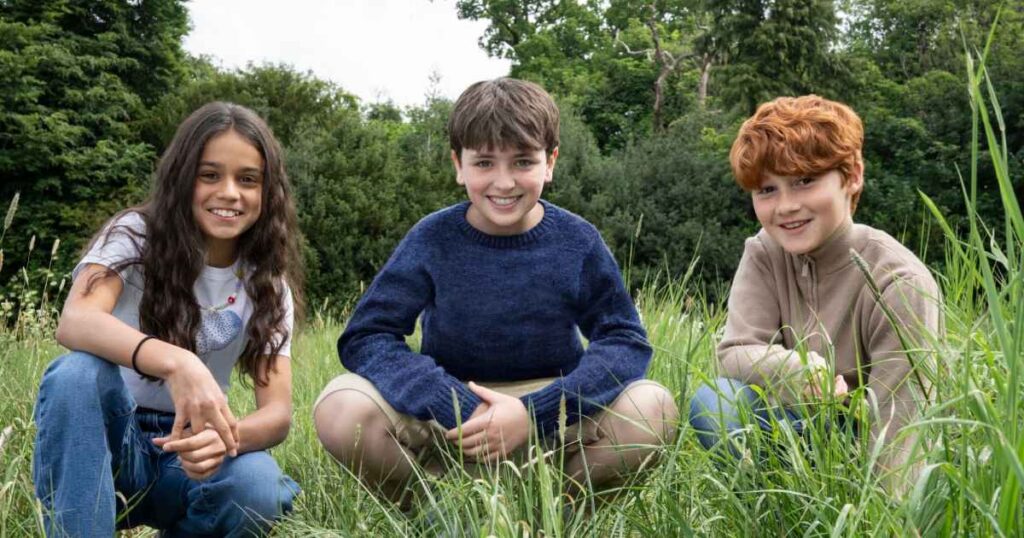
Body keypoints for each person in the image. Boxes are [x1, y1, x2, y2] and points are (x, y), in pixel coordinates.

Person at [313, 78, 678, 507]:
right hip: (449, 418)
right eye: (484, 162)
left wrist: (536, 412)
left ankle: (554, 512)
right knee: (341, 407)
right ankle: (439, 510)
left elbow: (624, 339)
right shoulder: (432, 238)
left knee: (653, 407)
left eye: (523, 161)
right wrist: (452, 402)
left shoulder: (577, 240)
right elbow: (366, 336)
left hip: (552, 417)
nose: (503, 182)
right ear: (458, 164)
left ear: (550, 162)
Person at [32, 102, 303, 536]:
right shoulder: (133, 234)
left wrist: (225, 438)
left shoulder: (268, 284)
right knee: (76, 374)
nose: (229, 192)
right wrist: (178, 362)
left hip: (190, 452)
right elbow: (76, 320)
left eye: (248, 179)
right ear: (181, 177)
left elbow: (277, 414)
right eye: (209, 175)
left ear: (268, 192)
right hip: (107, 437)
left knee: (257, 483)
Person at [688, 95, 941, 491]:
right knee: (715, 401)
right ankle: (771, 511)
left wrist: (886, 510)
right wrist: (797, 370)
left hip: (866, 438)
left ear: (852, 176)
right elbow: (735, 351)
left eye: (804, 181)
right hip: (792, 427)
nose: (786, 206)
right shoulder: (764, 252)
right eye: (767, 190)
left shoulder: (899, 280)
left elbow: (902, 422)